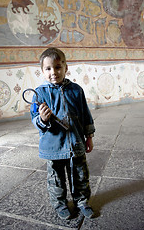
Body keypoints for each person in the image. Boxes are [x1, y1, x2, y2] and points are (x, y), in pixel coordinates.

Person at [30, 47, 95, 220]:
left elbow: (85, 115)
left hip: (76, 143)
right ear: (42, 71)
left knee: (81, 175)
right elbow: (34, 119)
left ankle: (82, 202)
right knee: (56, 178)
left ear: (66, 67)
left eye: (58, 67)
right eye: (48, 68)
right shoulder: (39, 94)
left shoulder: (76, 90)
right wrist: (42, 120)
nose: (54, 72)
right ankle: (60, 204)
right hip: (53, 147)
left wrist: (89, 137)